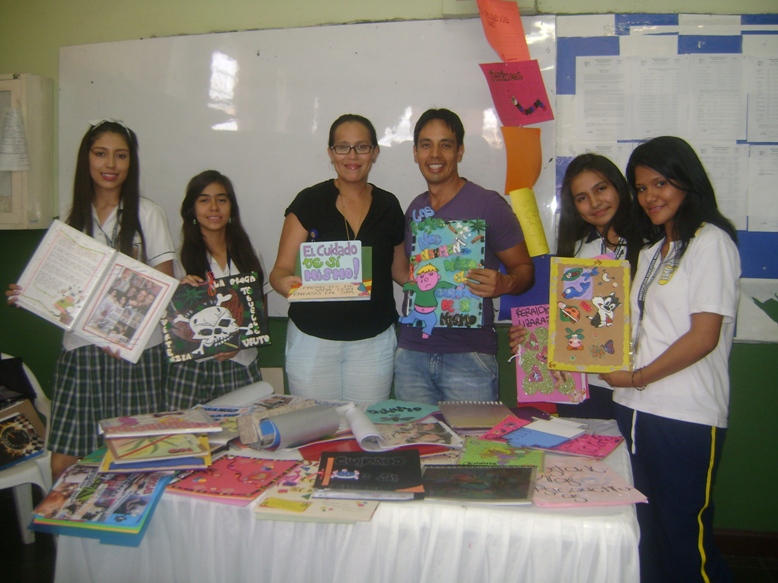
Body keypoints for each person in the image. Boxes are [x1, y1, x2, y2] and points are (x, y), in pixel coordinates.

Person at [599, 136, 739, 583]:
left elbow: (703, 337)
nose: (649, 197)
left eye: (660, 183)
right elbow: (635, 330)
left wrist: (636, 377)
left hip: (685, 416)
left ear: (687, 180)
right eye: (641, 188)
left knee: (685, 543)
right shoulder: (653, 251)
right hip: (635, 412)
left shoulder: (711, 242)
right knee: (647, 538)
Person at [6, 120, 176, 480]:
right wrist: (33, 294)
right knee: (64, 462)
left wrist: (121, 335)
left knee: (134, 458)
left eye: (121, 156)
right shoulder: (71, 215)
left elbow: (164, 286)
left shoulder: (148, 213)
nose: (110, 164)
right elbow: (62, 289)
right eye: (101, 154)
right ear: (87, 158)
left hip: (135, 354)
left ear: (131, 162)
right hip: (81, 350)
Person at [394, 108, 534, 405]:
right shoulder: (415, 209)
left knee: (473, 436)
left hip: (469, 356)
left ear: (459, 151)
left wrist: (505, 284)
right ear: (415, 152)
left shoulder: (488, 204)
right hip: (412, 354)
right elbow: (408, 272)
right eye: (426, 145)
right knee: (416, 435)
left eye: (445, 145)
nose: (435, 154)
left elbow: (524, 269)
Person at [269, 114, 406, 404]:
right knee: (316, 425)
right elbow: (280, 270)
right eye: (343, 147)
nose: (352, 156)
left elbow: (400, 270)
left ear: (375, 152)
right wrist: (286, 284)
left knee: (367, 425)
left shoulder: (389, 205)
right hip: (312, 340)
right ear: (331, 153)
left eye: (362, 147)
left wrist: (443, 276)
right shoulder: (309, 201)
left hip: (373, 342)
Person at [508, 153, 641, 419]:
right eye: (582, 198)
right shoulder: (576, 255)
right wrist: (531, 335)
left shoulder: (652, 247)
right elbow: (568, 318)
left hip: (637, 382)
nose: (595, 203)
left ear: (619, 187)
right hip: (584, 385)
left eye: (601, 189)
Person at [166, 170, 270, 409]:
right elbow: (170, 321)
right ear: (192, 209)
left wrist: (237, 342)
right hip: (192, 368)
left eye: (221, 200)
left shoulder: (250, 256)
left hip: (241, 363)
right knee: (188, 432)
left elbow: (260, 312)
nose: (214, 207)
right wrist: (179, 295)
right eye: (204, 200)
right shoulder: (177, 259)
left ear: (231, 207)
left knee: (245, 429)